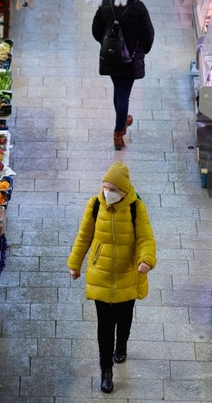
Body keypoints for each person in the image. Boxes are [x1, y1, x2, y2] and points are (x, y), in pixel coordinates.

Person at [67, 161, 157, 394]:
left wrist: (146, 260)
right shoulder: (95, 205)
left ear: (124, 192)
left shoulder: (136, 207)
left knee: (124, 317)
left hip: (129, 273)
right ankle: (106, 370)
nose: (108, 193)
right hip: (101, 274)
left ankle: (122, 344)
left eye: (113, 189)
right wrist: (74, 264)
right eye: (105, 187)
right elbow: (84, 236)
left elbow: (146, 238)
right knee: (104, 326)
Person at [91, 0, 155, 151]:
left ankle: (123, 120)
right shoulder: (139, 7)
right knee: (123, 93)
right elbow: (148, 34)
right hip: (130, 58)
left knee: (118, 89)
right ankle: (118, 132)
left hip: (111, 56)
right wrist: (142, 49)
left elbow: (96, 29)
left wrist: (108, 44)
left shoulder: (106, 2)